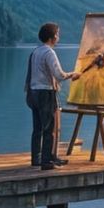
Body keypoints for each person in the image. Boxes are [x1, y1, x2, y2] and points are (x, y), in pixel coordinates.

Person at [27, 22, 78, 170]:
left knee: (37, 128)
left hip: (34, 92)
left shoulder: (36, 51)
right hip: (45, 93)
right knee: (49, 128)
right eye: (57, 34)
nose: (58, 37)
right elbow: (59, 75)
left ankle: (37, 159)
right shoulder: (49, 53)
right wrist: (73, 74)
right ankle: (46, 162)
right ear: (52, 37)